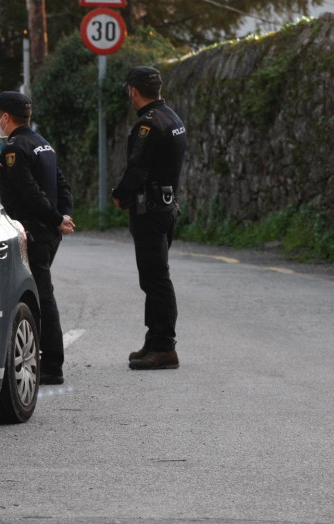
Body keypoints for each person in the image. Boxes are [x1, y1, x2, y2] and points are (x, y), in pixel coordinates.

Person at [0, 91, 75, 385]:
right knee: (39, 294)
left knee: (39, 297)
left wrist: (55, 219)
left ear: (6, 117)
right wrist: (63, 216)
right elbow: (62, 185)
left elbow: (28, 191)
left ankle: (51, 364)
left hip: (33, 232)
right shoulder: (43, 145)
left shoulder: (14, 150)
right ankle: (44, 360)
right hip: (48, 232)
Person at [111, 67, 186, 370]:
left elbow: (137, 169)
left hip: (150, 209)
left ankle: (164, 346)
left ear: (132, 91)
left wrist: (119, 194)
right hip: (166, 206)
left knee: (155, 279)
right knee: (154, 277)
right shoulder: (172, 117)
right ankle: (154, 339)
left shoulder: (148, 125)